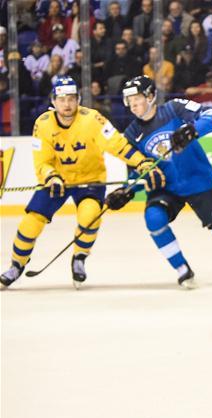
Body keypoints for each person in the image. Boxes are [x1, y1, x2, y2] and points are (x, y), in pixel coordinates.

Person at [110, 76, 212, 288]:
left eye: (137, 99)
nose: (132, 105)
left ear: (151, 96)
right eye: (128, 100)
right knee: (153, 218)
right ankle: (182, 270)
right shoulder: (132, 133)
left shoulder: (174, 108)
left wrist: (194, 130)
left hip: (196, 179)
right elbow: (137, 170)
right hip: (165, 187)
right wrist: (127, 190)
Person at [1, 76, 164, 289]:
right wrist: (51, 176)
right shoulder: (42, 124)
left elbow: (119, 146)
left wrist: (141, 163)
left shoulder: (93, 120)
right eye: (62, 99)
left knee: (90, 216)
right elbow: (42, 161)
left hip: (90, 180)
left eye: (71, 99)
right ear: (53, 101)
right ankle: (16, 265)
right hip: (56, 181)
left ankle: (79, 259)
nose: (67, 104)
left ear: (78, 99)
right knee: (30, 222)